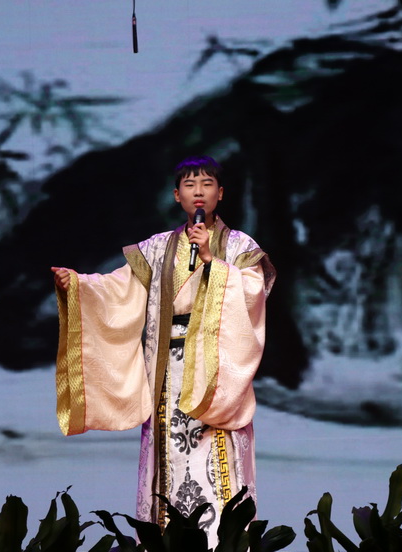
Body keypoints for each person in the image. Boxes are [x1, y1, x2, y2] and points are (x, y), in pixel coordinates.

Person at [51, 156, 275, 545]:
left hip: (214, 376)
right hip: (167, 374)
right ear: (177, 196)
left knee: (217, 463)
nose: (199, 192)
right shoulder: (157, 248)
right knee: (167, 466)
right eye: (190, 185)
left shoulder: (240, 246)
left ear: (221, 194)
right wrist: (81, 285)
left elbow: (253, 293)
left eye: (207, 184)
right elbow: (120, 289)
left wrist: (213, 263)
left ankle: (224, 544)